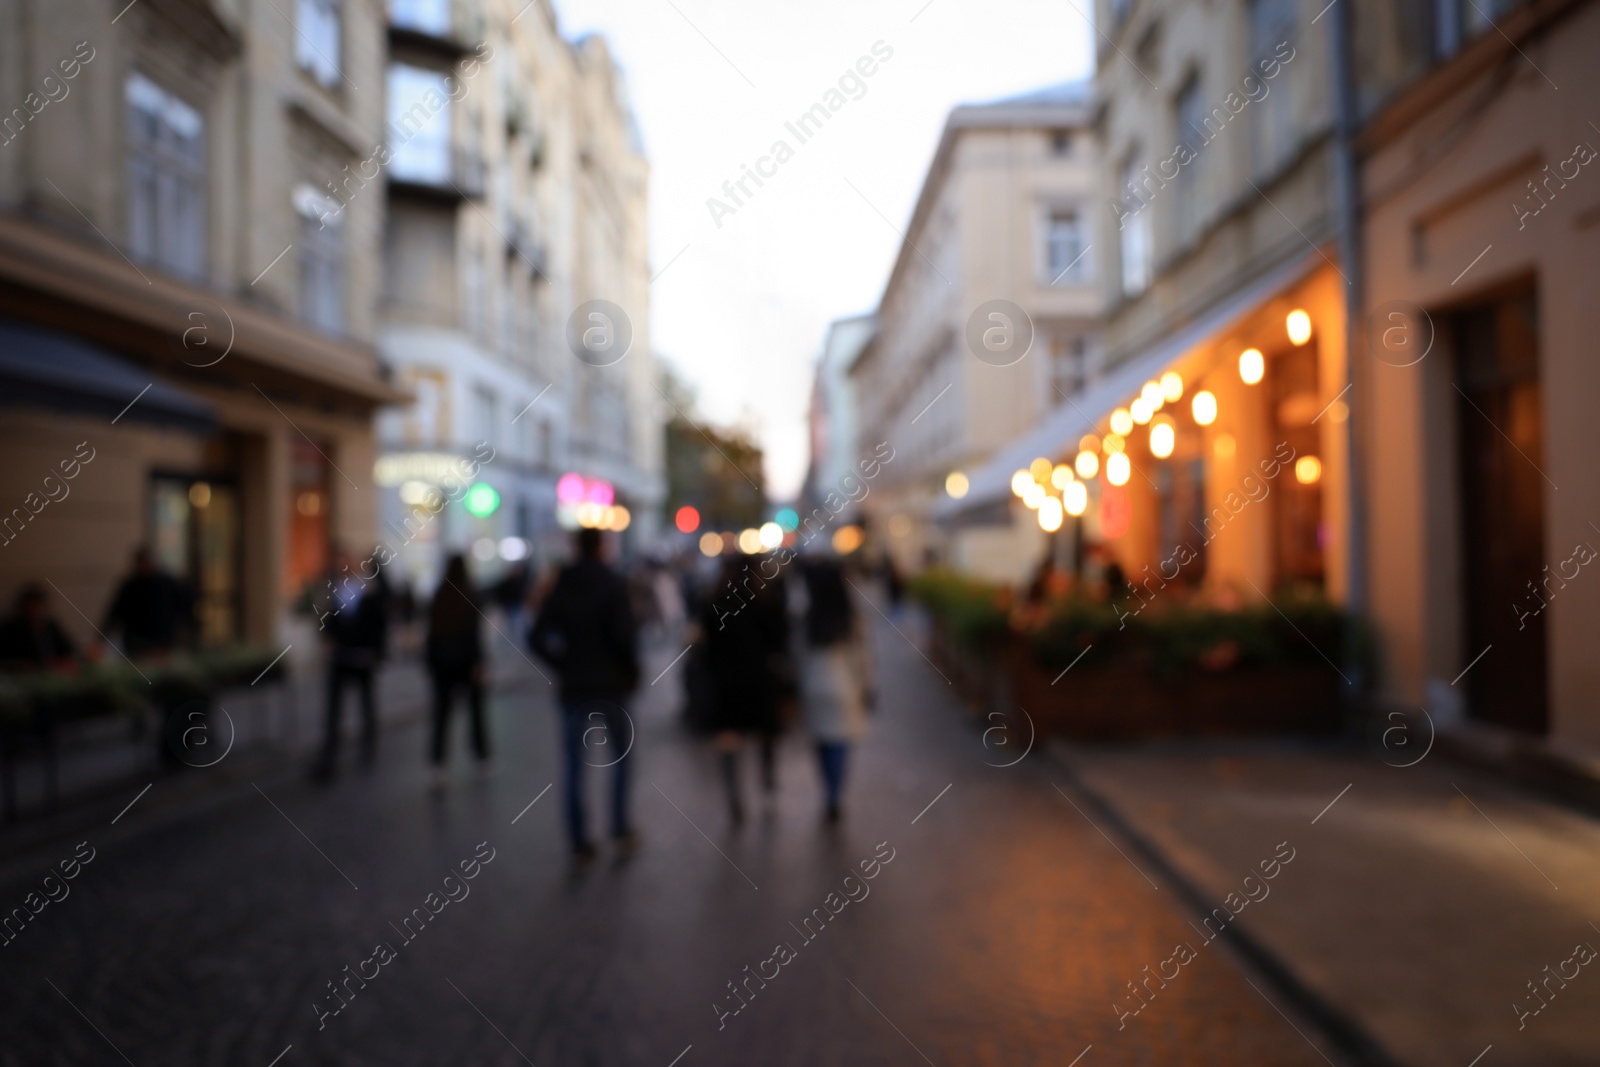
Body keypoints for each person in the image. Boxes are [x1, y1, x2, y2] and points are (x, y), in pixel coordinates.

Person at [530, 527, 639, 860]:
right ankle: (618, 827)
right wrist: (629, 671)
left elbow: (536, 636)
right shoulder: (612, 582)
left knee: (574, 766)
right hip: (610, 684)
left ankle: (579, 842)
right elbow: (624, 637)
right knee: (621, 757)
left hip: (574, 685)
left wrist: (561, 664)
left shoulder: (564, 584)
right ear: (602, 547)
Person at [699, 554, 789, 824]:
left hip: (727, 683)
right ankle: (767, 783)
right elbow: (780, 641)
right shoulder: (767, 600)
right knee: (765, 735)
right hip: (760, 680)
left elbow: (708, 648)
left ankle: (734, 797)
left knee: (729, 740)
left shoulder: (715, 601)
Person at [799, 557, 873, 824]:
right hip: (844, 687)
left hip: (813, 686)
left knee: (821, 742)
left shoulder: (807, 615)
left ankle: (827, 791)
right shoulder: (850, 617)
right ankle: (834, 794)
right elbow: (862, 656)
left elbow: (798, 654)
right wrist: (868, 686)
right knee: (840, 743)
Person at [310, 548, 390, 782]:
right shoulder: (330, 592)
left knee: (366, 705)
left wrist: (375, 652)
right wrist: (326, 642)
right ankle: (330, 754)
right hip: (340, 658)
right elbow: (324, 621)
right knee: (334, 708)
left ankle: (368, 748)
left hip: (362, 657)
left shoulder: (366, 590)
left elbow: (378, 624)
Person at [425, 554, 490, 789]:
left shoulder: (439, 596)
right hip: (466, 665)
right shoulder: (470, 596)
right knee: (476, 713)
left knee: (442, 716)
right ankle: (481, 758)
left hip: (442, 667)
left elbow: (431, 636)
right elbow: (474, 637)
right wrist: (479, 663)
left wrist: (431, 664)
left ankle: (438, 765)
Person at [102, 546, 192, 657]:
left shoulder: (166, 583)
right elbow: (115, 612)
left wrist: (178, 626)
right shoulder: (130, 586)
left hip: (162, 640)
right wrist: (101, 638)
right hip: (136, 641)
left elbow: (184, 604)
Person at [0, 584, 77, 672]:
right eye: (31, 606)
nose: (35, 610)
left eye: (39, 605)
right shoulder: (9, 628)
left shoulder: (50, 625)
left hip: (51, 675)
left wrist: (60, 661)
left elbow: (69, 650)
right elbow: (5, 660)